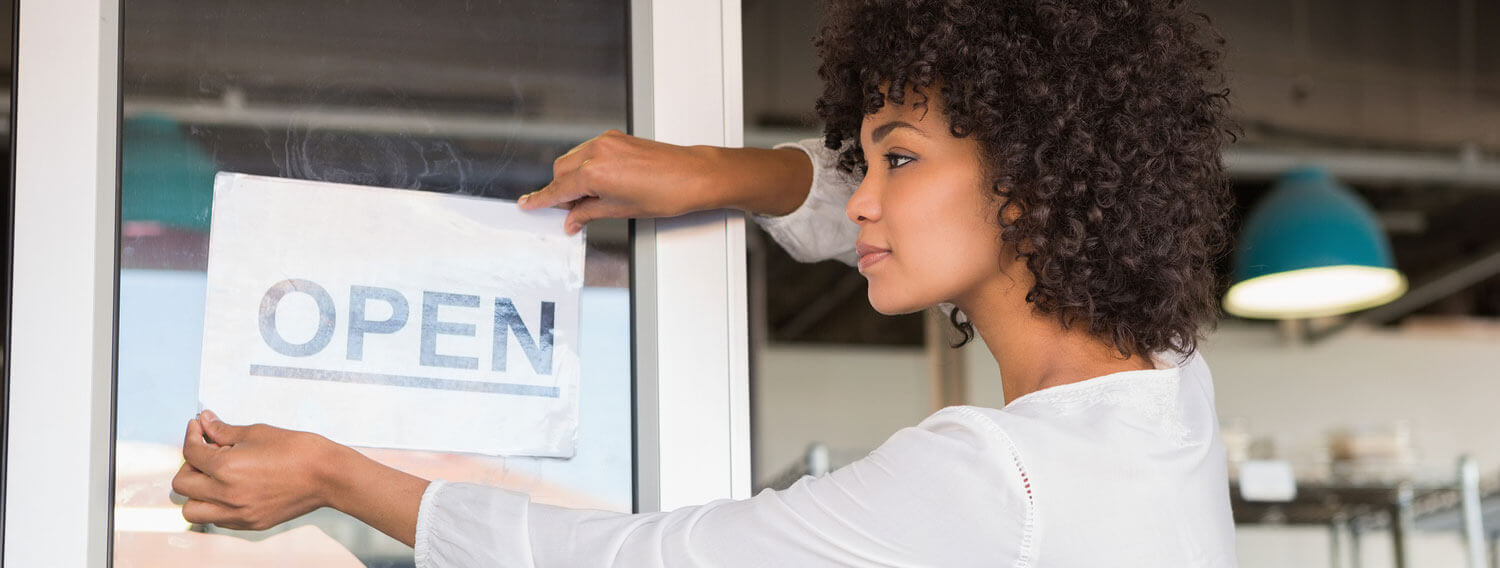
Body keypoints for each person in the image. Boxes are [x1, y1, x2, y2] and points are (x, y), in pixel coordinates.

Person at [174, 0, 1238, 565]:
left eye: (895, 159)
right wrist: (716, 174)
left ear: (1034, 172)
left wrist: (337, 476)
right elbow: (874, 199)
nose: (860, 198)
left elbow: (643, 559)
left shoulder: (995, 478)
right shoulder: (1165, 394)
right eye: (861, 160)